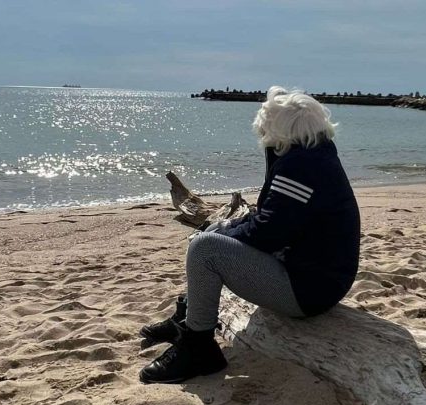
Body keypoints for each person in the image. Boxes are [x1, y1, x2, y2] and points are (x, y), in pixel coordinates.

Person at [139, 86, 361, 384]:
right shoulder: (312, 156)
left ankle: (198, 347)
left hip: (309, 290)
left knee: (205, 248)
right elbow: (276, 219)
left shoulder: (301, 166)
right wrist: (226, 229)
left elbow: (269, 232)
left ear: (275, 128)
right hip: (314, 275)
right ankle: (187, 317)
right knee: (213, 235)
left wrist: (226, 230)